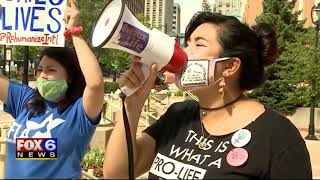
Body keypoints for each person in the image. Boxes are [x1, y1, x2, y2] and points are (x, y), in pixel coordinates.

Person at [103, 12, 312, 179]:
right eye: (188, 43)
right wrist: (134, 103)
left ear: (230, 66)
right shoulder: (179, 116)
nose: (185, 52)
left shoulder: (276, 135)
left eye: (199, 44)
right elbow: (118, 173)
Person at [0, 0, 104, 178]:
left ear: (70, 76)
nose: (42, 75)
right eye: (39, 70)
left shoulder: (79, 113)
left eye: (51, 70)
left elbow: (95, 84)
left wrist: (74, 31)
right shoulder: (27, 100)